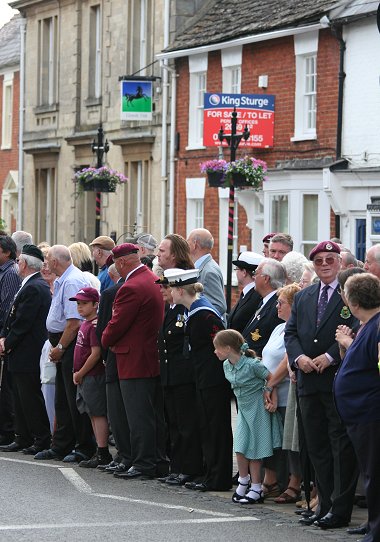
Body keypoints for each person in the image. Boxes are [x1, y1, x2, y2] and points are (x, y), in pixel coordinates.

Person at [285, 240, 359, 530]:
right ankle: (324, 505)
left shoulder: (347, 295)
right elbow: (291, 333)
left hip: (334, 380)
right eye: (319, 260)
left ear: (340, 263)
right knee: (316, 446)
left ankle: (340, 510)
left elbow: (353, 325)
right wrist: (299, 357)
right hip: (307, 380)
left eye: (331, 259)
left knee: (339, 446)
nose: (325, 264)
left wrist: (329, 356)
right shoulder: (305, 296)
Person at [102, 243, 167, 479]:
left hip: (134, 358)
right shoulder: (150, 279)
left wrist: (104, 337)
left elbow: (115, 325)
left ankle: (143, 463)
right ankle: (153, 461)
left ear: (121, 263)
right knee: (150, 414)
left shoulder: (131, 287)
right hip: (148, 356)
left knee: (138, 415)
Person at [165, 268, 232, 492]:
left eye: (171, 288)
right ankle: (210, 474)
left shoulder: (204, 314)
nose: (169, 293)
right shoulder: (193, 311)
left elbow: (222, 343)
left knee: (216, 428)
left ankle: (218, 477)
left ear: (181, 290)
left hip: (213, 379)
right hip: (202, 377)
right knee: (206, 427)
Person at [35, 245, 95, 463]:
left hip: (68, 344)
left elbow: (74, 322)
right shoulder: (64, 279)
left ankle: (83, 446)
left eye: (48, 258)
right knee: (62, 398)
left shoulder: (71, 281)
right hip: (62, 342)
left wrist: (60, 348)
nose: (46, 262)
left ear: (56, 262)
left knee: (72, 398)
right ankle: (61, 445)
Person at [334, 273, 380, 542]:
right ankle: (373, 524)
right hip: (360, 414)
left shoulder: (376, 326)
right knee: (369, 472)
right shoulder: (367, 324)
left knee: (375, 473)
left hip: (370, 413)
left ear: (352, 300)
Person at [213, 329, 283, 504]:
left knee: (255, 449)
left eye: (218, 348)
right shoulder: (226, 365)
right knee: (240, 446)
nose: (215, 352)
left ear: (228, 348)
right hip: (243, 409)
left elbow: (271, 379)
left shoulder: (252, 365)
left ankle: (257, 487)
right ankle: (243, 481)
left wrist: (272, 399)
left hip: (258, 408)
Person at [0, 245, 51, 455]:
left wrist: (7, 342)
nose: (17, 264)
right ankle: (23, 436)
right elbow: (12, 316)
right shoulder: (28, 284)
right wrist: (4, 337)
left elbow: (23, 322)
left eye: (20, 261)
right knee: (20, 398)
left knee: (30, 397)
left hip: (27, 350)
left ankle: (40, 438)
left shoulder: (34, 287)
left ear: (26, 264)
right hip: (19, 350)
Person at [156, 275, 203, 486]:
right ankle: (176, 467)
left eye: (166, 287)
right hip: (169, 375)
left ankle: (190, 468)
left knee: (187, 425)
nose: (163, 291)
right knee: (173, 424)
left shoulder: (185, 311)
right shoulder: (169, 311)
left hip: (184, 376)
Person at [261, 283, 303, 503]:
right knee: (275, 441)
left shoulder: (294, 328)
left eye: (281, 303)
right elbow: (268, 356)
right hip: (272, 391)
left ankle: (294, 484)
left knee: (291, 443)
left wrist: (271, 384)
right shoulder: (279, 327)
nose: (277, 306)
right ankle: (273, 480)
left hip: (286, 392)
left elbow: (287, 358)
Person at [69, 287, 112, 468]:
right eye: (78, 303)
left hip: (93, 376)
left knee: (97, 413)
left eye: (85, 303)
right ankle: (99, 449)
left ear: (96, 304)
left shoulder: (94, 325)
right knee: (91, 413)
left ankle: (103, 451)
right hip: (85, 377)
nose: (80, 307)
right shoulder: (85, 323)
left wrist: (80, 372)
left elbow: (95, 354)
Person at [96, 263, 129, 475]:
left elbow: (104, 327)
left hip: (114, 356)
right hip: (126, 357)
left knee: (117, 411)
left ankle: (124, 455)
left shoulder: (111, 292)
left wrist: (104, 354)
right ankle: (125, 455)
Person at [0, 235, 21, 446]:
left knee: (6, 387)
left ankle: (7, 430)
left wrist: (2, 336)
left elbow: (7, 308)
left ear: (7, 252)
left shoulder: (11, 274)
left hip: (4, 337)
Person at [242, 258, 286, 356]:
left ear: (266, 279)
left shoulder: (277, 306)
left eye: (256, 273)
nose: (253, 277)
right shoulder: (265, 302)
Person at [187, 228, 227, 317]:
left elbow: (219, 306)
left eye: (187, 242)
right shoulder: (203, 267)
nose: (186, 245)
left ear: (195, 244)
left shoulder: (209, 272)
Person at [227, 251, 263, 333]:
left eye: (237, 269)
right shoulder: (246, 293)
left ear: (244, 272)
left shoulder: (257, 295)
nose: (236, 272)